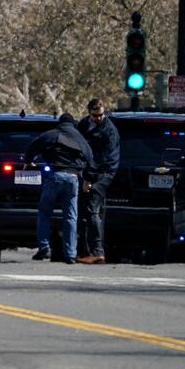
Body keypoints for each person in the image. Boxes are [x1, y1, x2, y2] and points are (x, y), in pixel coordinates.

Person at [24, 113, 94, 264]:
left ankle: (44, 247)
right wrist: (87, 179)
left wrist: (28, 161)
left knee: (44, 213)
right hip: (73, 179)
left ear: (60, 123)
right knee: (71, 217)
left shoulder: (51, 134)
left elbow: (32, 148)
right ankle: (70, 254)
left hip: (54, 176)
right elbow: (90, 159)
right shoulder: (80, 138)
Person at [76, 98, 120, 264]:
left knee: (92, 209)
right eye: (95, 116)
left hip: (103, 172)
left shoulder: (109, 130)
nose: (99, 118)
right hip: (87, 170)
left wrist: (88, 178)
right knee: (84, 212)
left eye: (101, 115)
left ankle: (97, 251)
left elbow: (102, 159)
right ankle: (84, 250)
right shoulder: (83, 125)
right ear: (89, 113)